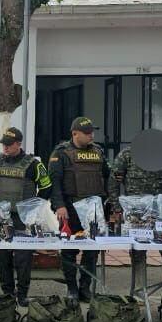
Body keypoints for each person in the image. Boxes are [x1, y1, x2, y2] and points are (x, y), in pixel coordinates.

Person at [48, 117, 110, 301]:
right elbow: (54, 182)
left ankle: (85, 288)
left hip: (93, 210)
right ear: (75, 134)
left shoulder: (98, 151)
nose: (92, 135)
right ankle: (72, 289)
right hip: (70, 208)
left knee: (92, 251)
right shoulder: (61, 153)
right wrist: (59, 206)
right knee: (69, 251)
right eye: (87, 132)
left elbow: (107, 174)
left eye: (92, 132)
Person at [0, 127, 52, 304]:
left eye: (9, 145)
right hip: (1, 218)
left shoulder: (33, 164)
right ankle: (8, 294)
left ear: (19, 144)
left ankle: (22, 294)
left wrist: (33, 208)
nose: (5, 148)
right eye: (4, 145)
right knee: (2, 257)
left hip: (22, 219)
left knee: (23, 258)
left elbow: (46, 187)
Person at [111, 144, 162, 294]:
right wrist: (116, 207)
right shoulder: (126, 155)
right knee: (138, 252)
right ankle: (139, 292)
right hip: (137, 214)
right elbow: (113, 183)